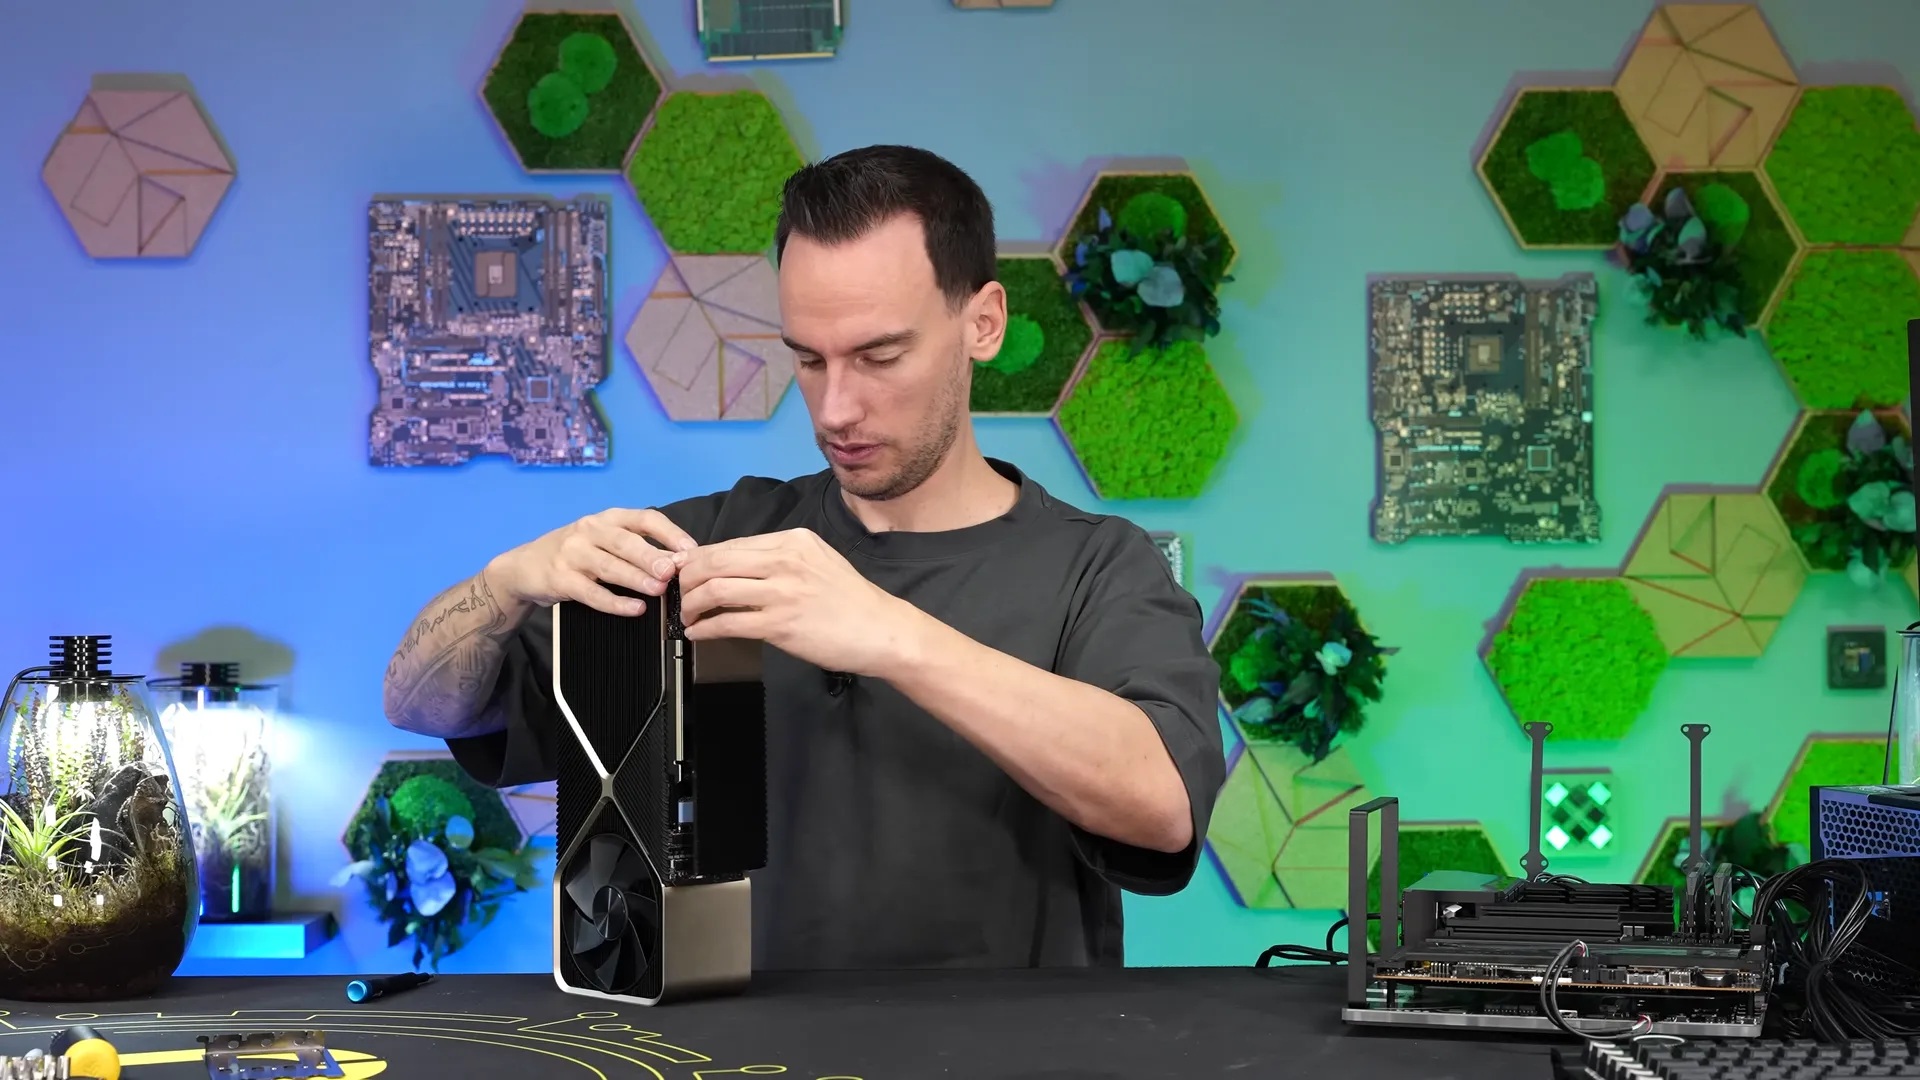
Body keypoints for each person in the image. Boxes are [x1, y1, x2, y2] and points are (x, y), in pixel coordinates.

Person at [382, 144, 1225, 970]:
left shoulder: (1098, 567)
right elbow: (420, 705)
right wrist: (504, 584)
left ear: (983, 323)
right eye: (809, 359)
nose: (836, 408)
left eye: (880, 355)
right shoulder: (712, 544)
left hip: (1010, 1043)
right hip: (739, 1042)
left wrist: (892, 636)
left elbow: (1163, 807)